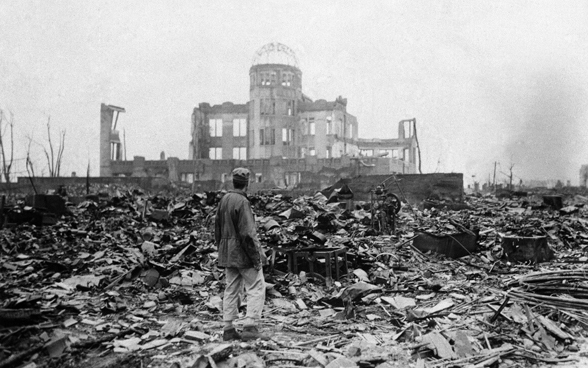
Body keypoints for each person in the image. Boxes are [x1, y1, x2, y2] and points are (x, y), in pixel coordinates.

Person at [215, 167, 269, 341]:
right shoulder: (242, 202)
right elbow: (247, 234)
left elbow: (217, 229)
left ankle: (228, 328)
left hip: (228, 254)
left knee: (231, 288)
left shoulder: (224, 200)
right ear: (247, 183)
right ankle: (250, 326)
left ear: (233, 182)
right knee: (256, 286)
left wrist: (222, 249)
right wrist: (257, 257)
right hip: (243, 254)